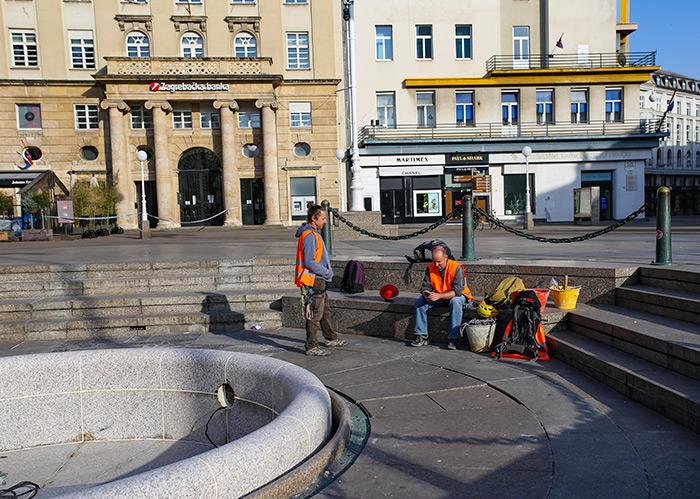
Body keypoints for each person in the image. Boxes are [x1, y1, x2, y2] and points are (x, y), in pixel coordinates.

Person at [295, 204, 347, 356]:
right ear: (314, 218)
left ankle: (330, 337)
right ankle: (311, 345)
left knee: (324, 311)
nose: (325, 221)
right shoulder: (310, 236)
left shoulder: (312, 234)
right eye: (323, 218)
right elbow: (310, 261)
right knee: (315, 314)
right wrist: (325, 271)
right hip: (314, 279)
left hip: (318, 279)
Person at [412, 246, 474, 350]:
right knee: (419, 301)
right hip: (438, 297)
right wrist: (426, 294)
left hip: (457, 297)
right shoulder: (430, 267)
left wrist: (439, 296)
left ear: (446, 257)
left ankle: (454, 339)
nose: (436, 265)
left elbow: (457, 291)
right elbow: (425, 286)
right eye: (434, 261)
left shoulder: (457, 267)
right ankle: (421, 336)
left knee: (455, 302)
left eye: (439, 262)